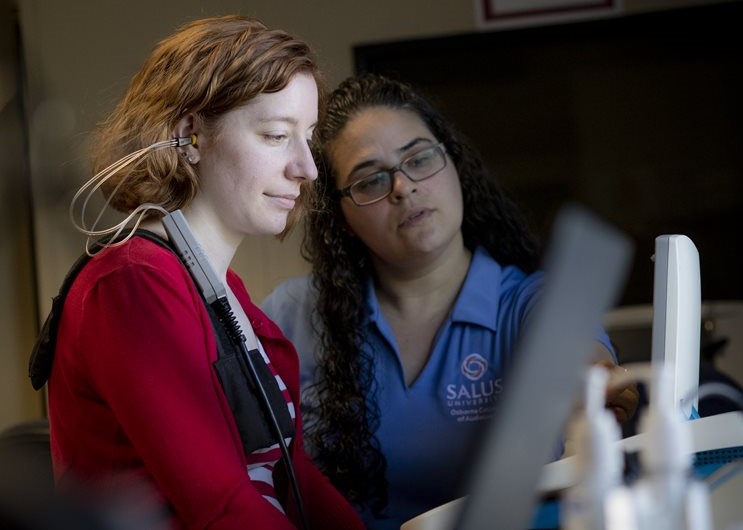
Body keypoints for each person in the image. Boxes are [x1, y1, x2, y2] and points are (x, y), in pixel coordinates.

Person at [260, 73, 640, 529]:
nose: (403, 187)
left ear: (454, 163)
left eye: (419, 158)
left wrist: (591, 395)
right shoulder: (293, 314)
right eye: (370, 181)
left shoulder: (529, 303)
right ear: (340, 218)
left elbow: (583, 365)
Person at [44, 15, 365, 530]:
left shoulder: (224, 292)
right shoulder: (131, 283)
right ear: (189, 135)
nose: (307, 168)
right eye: (277, 135)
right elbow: (218, 509)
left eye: (308, 138)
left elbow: (293, 474)